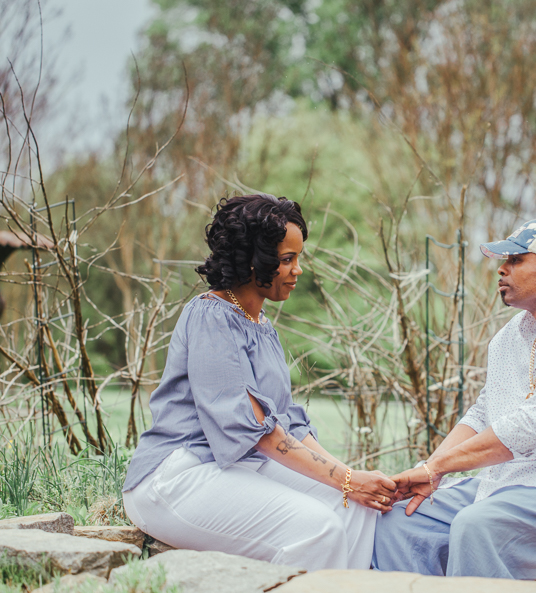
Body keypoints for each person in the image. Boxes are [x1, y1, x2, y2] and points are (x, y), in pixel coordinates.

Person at [123, 193, 396, 571]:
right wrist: (349, 479)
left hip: (239, 467)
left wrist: (353, 480)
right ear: (252, 259)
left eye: (298, 258)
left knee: (356, 510)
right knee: (318, 529)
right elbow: (255, 429)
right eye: (287, 259)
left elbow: (288, 424)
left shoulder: (261, 325)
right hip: (178, 476)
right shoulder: (210, 317)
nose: (298, 270)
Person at [373, 219, 536, 580]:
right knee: (398, 522)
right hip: (508, 483)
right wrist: (432, 470)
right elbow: (484, 413)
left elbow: (533, 423)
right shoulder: (509, 337)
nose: (501, 268)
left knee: (476, 526)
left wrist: (439, 468)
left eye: (515, 260)